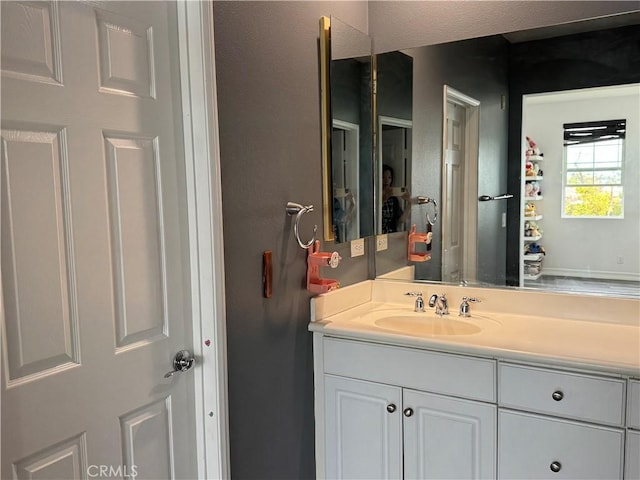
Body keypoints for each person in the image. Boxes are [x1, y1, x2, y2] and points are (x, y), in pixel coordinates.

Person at [381, 164, 411, 233]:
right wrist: (383, 200)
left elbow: (402, 220)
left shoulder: (393, 200)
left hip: (391, 236)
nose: (386, 181)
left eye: (389, 177)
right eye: (383, 177)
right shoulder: (372, 198)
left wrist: (409, 203)